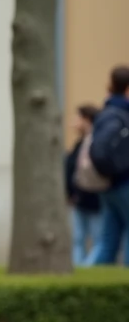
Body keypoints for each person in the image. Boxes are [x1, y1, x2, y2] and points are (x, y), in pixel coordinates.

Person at [87, 65, 129, 266]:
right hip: (122, 183)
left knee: (109, 239)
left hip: (112, 184)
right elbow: (101, 149)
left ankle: (100, 285)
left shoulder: (108, 112)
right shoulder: (118, 115)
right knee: (112, 239)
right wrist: (115, 171)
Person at [65, 104, 103, 265]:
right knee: (77, 239)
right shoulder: (81, 143)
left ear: (87, 119)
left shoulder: (94, 142)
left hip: (93, 199)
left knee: (98, 239)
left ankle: (89, 271)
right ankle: (81, 270)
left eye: (77, 118)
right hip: (79, 198)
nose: (73, 122)